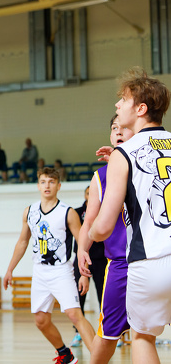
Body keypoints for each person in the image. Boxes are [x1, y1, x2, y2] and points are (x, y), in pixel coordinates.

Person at [89, 68, 171, 364]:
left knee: (142, 337)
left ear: (141, 109)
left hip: (150, 261)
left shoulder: (123, 154)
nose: (117, 104)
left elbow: (103, 227)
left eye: (123, 99)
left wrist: (91, 233)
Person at [3, 167, 95, 363]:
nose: (47, 186)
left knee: (75, 315)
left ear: (58, 186)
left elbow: (83, 244)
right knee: (41, 320)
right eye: (43, 182)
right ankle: (65, 354)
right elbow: (22, 242)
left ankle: (99, 358)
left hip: (62, 271)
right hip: (39, 271)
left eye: (52, 182)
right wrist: (10, 269)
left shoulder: (68, 213)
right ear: (38, 186)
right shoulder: (30, 211)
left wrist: (84, 274)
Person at [77, 115, 134, 363]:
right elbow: (89, 221)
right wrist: (82, 249)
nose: (118, 131)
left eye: (124, 127)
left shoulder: (146, 166)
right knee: (108, 334)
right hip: (120, 263)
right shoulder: (100, 176)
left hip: (154, 258)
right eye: (114, 128)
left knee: (144, 333)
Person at [69, 185, 105, 349]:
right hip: (81, 259)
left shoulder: (104, 211)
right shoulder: (76, 213)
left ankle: (106, 331)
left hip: (101, 259)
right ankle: (78, 332)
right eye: (88, 193)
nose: (91, 196)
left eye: (93, 193)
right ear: (85, 196)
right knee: (78, 296)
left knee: (103, 296)